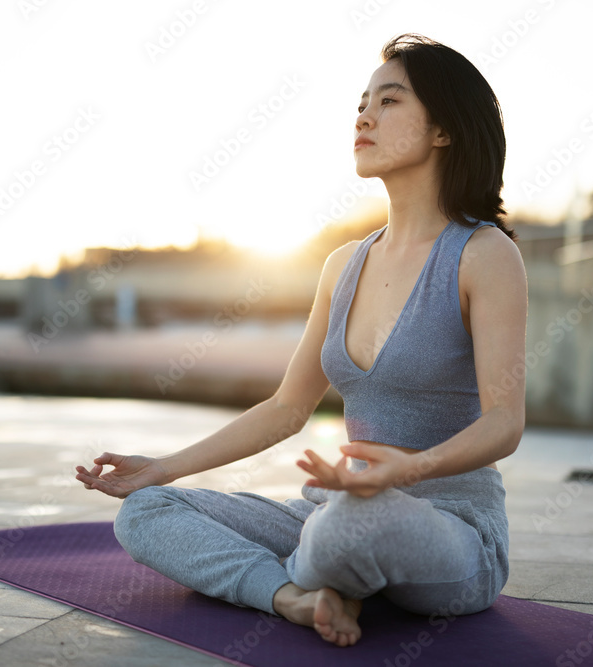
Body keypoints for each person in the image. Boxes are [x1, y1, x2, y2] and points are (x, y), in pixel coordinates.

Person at [75, 32, 527, 649]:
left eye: (389, 101)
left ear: (444, 130)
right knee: (148, 513)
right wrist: (160, 468)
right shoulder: (343, 264)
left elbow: (505, 421)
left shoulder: (483, 255)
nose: (364, 115)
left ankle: (319, 569)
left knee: (349, 525)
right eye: (361, 103)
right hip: (330, 511)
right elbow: (289, 408)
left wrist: (411, 468)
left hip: (449, 531)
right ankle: (293, 596)